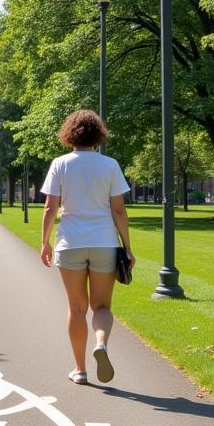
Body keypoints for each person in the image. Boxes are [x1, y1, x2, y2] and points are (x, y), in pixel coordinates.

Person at [40, 109, 134, 385]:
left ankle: (80, 370)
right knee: (102, 306)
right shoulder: (110, 165)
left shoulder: (60, 164)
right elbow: (119, 211)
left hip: (70, 243)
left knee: (77, 308)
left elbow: (50, 207)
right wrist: (127, 248)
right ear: (98, 135)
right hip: (104, 242)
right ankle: (101, 343)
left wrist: (44, 243)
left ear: (70, 134)